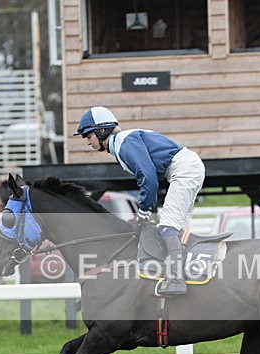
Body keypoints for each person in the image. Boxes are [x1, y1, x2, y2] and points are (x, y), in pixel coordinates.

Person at [73, 106, 205, 295]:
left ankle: (177, 280)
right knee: (176, 228)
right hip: (185, 167)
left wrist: (144, 212)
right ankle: (186, 273)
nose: (87, 142)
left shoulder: (124, 143)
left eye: (88, 136)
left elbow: (148, 178)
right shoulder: (122, 143)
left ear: (102, 131)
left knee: (167, 226)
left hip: (183, 169)